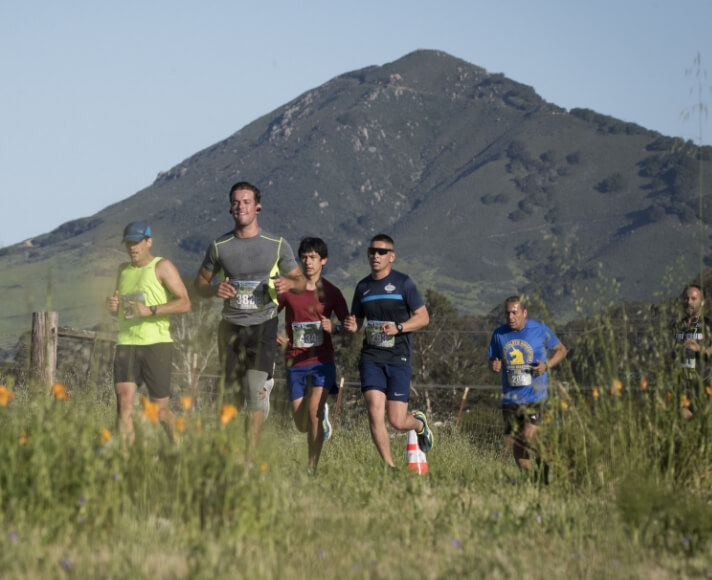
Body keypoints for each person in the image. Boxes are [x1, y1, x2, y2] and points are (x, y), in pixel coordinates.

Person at [195, 181, 305, 458]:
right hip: (230, 328)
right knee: (230, 398)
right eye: (235, 202)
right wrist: (213, 289)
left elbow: (301, 281)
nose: (240, 206)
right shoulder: (219, 246)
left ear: (258, 207)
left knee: (255, 392)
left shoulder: (276, 244)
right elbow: (199, 284)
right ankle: (228, 453)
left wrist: (288, 286)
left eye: (246, 201)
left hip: (263, 325)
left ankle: (250, 458)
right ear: (230, 207)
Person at [343, 234, 433, 468]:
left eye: (381, 252)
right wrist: (352, 326)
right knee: (374, 410)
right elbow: (357, 322)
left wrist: (399, 327)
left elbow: (423, 318)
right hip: (371, 357)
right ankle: (389, 466)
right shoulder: (362, 286)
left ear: (391, 256)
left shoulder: (404, 283)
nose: (375, 255)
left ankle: (419, 424)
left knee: (397, 421)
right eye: (372, 251)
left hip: (398, 357)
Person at [106, 221, 191, 443]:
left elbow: (184, 303)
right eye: (128, 244)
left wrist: (150, 310)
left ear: (148, 241)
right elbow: (121, 310)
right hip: (126, 343)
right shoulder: (122, 270)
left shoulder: (162, 266)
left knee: (160, 411)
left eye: (137, 242)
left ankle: (180, 449)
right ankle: (124, 467)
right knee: (124, 404)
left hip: (157, 344)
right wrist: (113, 308)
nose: (132, 248)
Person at [277, 237, 350, 473]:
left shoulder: (332, 292)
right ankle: (320, 418)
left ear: (323, 261)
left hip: (321, 362)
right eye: (304, 257)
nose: (308, 262)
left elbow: (349, 327)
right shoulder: (288, 289)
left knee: (314, 412)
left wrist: (335, 328)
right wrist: (275, 336)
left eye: (313, 258)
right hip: (294, 362)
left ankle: (312, 468)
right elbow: (268, 316)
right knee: (301, 424)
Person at [487, 295, 567, 475]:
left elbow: (562, 350)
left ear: (524, 313)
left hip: (535, 397)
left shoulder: (539, 330)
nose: (510, 317)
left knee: (530, 436)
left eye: (514, 313)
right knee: (518, 445)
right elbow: (493, 360)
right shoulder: (499, 334)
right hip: (510, 399)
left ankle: (549, 469)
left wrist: (546, 366)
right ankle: (534, 481)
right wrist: (494, 365)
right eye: (507, 313)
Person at [672, 284, 712, 419]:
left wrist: (700, 349)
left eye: (693, 299)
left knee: (702, 426)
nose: (689, 302)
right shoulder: (677, 326)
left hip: (705, 386)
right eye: (686, 299)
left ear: (702, 302)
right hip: (683, 388)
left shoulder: (708, 325)